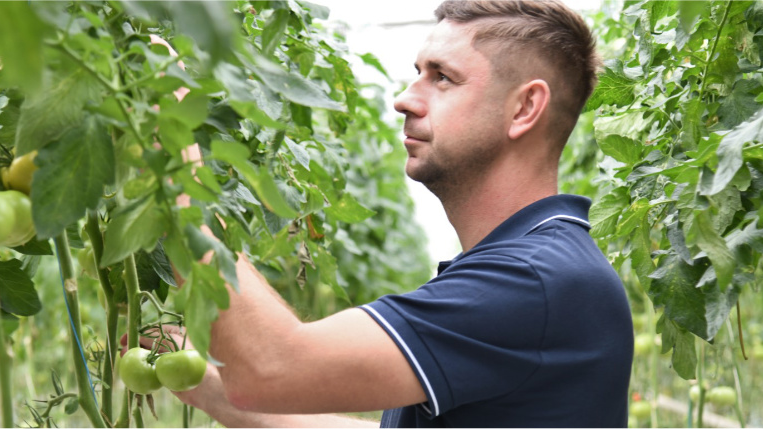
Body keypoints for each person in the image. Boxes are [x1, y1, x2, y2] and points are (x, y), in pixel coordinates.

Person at [135, 0, 633, 426]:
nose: (404, 99)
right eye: (417, 74)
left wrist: (177, 166)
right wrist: (212, 389)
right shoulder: (532, 270)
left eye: (443, 78)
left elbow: (273, 367)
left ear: (525, 108)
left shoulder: (536, 281)